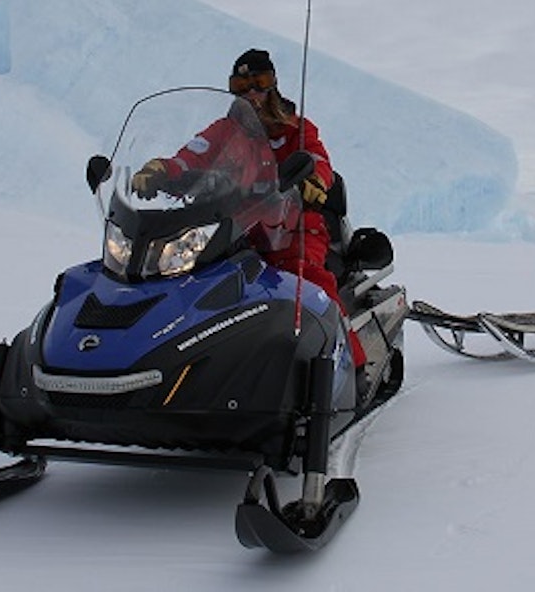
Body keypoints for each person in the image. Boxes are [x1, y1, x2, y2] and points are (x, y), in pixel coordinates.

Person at [131, 48, 368, 373]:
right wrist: (161, 169)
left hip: (293, 230)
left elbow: (317, 159)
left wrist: (313, 180)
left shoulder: (296, 130)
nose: (251, 93)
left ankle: (351, 369)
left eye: (259, 82)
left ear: (273, 84)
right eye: (241, 86)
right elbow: (193, 155)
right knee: (187, 282)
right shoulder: (226, 130)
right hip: (238, 231)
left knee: (309, 286)